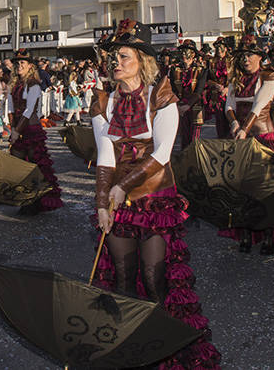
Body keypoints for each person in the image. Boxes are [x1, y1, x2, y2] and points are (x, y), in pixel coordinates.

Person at [90, 20, 220, 369]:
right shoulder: (103, 100)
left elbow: (162, 152)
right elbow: (104, 156)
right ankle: (130, 346)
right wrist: (102, 202)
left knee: (153, 276)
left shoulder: (160, 96)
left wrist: (120, 187)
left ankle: (161, 344)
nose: (114, 62)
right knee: (121, 274)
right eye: (113, 56)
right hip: (119, 201)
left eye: (123, 56)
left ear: (142, 61)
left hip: (155, 197)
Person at [222, 37, 274, 252]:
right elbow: (228, 104)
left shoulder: (269, 76)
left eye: (250, 54)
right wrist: (235, 124)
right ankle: (246, 235)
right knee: (241, 189)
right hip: (240, 137)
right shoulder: (235, 79)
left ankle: (268, 236)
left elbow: (259, 105)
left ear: (259, 57)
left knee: (265, 189)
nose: (245, 59)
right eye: (242, 55)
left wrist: (243, 129)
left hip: (262, 138)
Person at [7, 48, 62, 214]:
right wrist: (12, 128)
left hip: (30, 128)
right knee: (18, 164)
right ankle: (24, 198)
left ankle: (35, 201)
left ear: (30, 65)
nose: (19, 65)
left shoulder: (34, 84)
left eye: (22, 62)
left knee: (33, 165)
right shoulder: (14, 84)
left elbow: (29, 110)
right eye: (17, 63)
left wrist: (17, 131)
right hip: (18, 127)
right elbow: (10, 107)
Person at [170, 40, 207, 146]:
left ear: (193, 54)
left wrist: (187, 105)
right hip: (180, 107)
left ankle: (193, 160)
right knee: (183, 138)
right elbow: (173, 89)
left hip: (195, 107)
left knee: (194, 140)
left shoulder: (201, 70)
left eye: (187, 52)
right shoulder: (174, 69)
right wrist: (177, 106)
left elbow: (199, 91)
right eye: (182, 51)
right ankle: (184, 160)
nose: (184, 54)